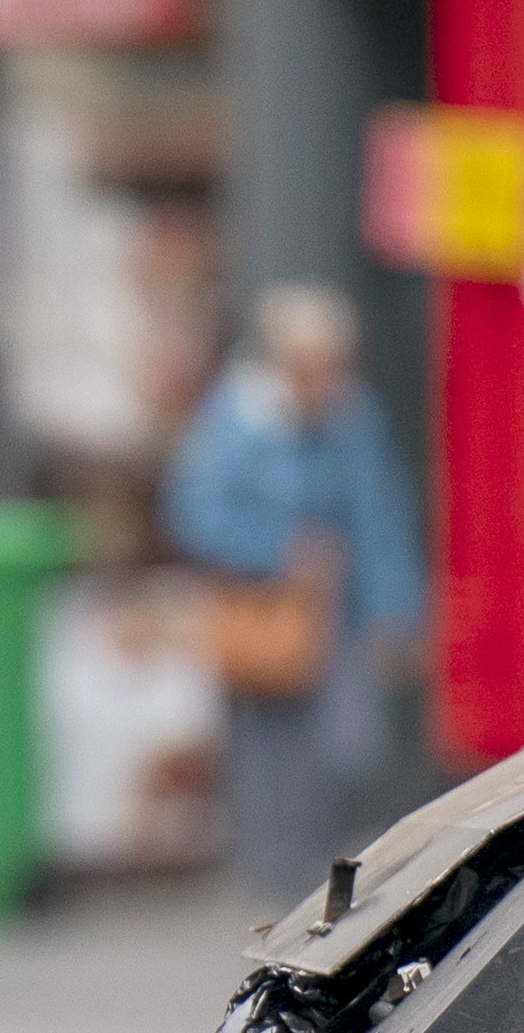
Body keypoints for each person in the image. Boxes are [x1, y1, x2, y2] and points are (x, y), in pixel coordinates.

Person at [159, 283, 425, 913]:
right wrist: (278, 549)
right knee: (265, 752)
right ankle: (272, 882)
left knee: (344, 748)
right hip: (264, 618)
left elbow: (379, 514)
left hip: (337, 619)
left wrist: (395, 609)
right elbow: (195, 511)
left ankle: (319, 871)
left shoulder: (351, 416)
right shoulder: (239, 419)